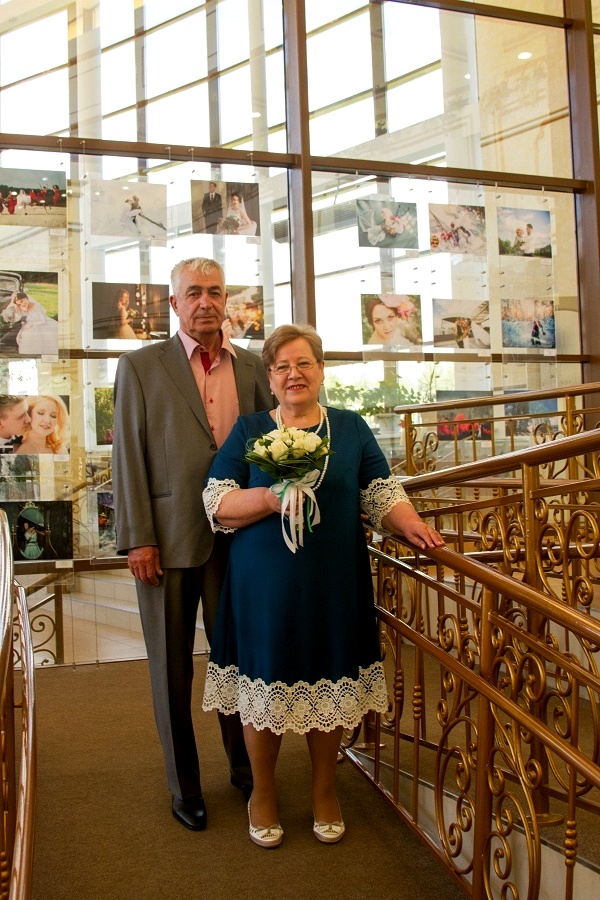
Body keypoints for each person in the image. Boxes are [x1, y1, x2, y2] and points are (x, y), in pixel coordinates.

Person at [202, 324, 445, 848]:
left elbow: (382, 492)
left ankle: (324, 790)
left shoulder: (352, 428)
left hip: (333, 582)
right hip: (263, 587)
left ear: (320, 370)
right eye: (283, 366)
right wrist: (270, 497)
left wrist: (411, 524)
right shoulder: (248, 432)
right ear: (269, 377)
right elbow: (217, 502)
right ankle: (262, 793)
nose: (294, 374)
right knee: (265, 686)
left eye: (304, 363)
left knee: (326, 683)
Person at [112, 256, 272, 833]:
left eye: (216, 292)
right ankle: (184, 787)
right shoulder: (139, 366)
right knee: (172, 671)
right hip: (167, 542)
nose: (206, 302)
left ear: (226, 300)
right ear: (173, 303)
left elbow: (268, 451)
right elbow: (127, 456)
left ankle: (247, 768)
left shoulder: (253, 368)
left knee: (237, 661)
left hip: (240, 541)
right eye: (193, 293)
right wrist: (137, 539)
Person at [2, 290, 59, 356]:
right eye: (20, 304)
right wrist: (15, 304)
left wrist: (31, 325)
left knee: (33, 334)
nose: (22, 304)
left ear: (26, 298)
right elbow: (16, 316)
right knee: (26, 334)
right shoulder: (23, 307)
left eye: (22, 301)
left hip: (41, 323)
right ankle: (29, 354)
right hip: (30, 324)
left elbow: (42, 320)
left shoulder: (36, 306)